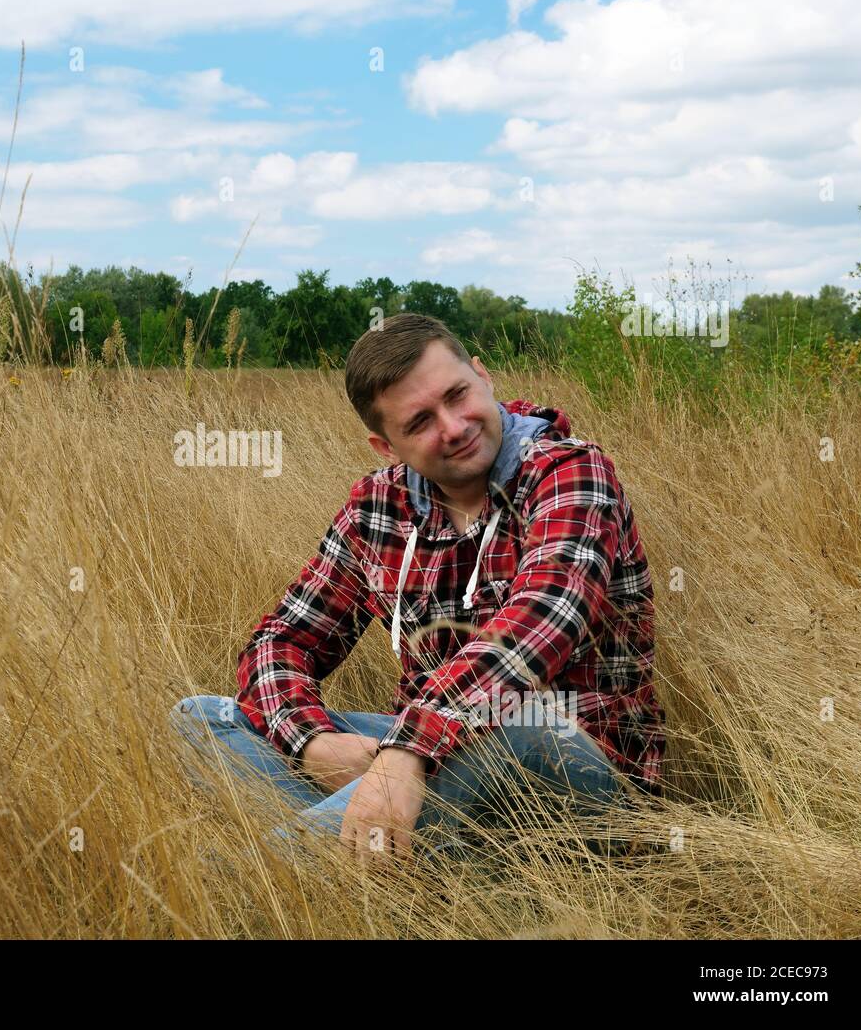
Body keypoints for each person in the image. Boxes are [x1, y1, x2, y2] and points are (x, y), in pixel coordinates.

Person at [170, 313, 666, 862]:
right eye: (421, 421)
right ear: (386, 446)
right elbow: (282, 642)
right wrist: (312, 743)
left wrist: (409, 748)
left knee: (526, 722)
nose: (453, 427)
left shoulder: (569, 471)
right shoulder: (377, 507)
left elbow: (541, 622)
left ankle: (269, 882)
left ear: (484, 376)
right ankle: (392, 875)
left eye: (458, 395)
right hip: (437, 757)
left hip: (576, 765)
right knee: (203, 718)